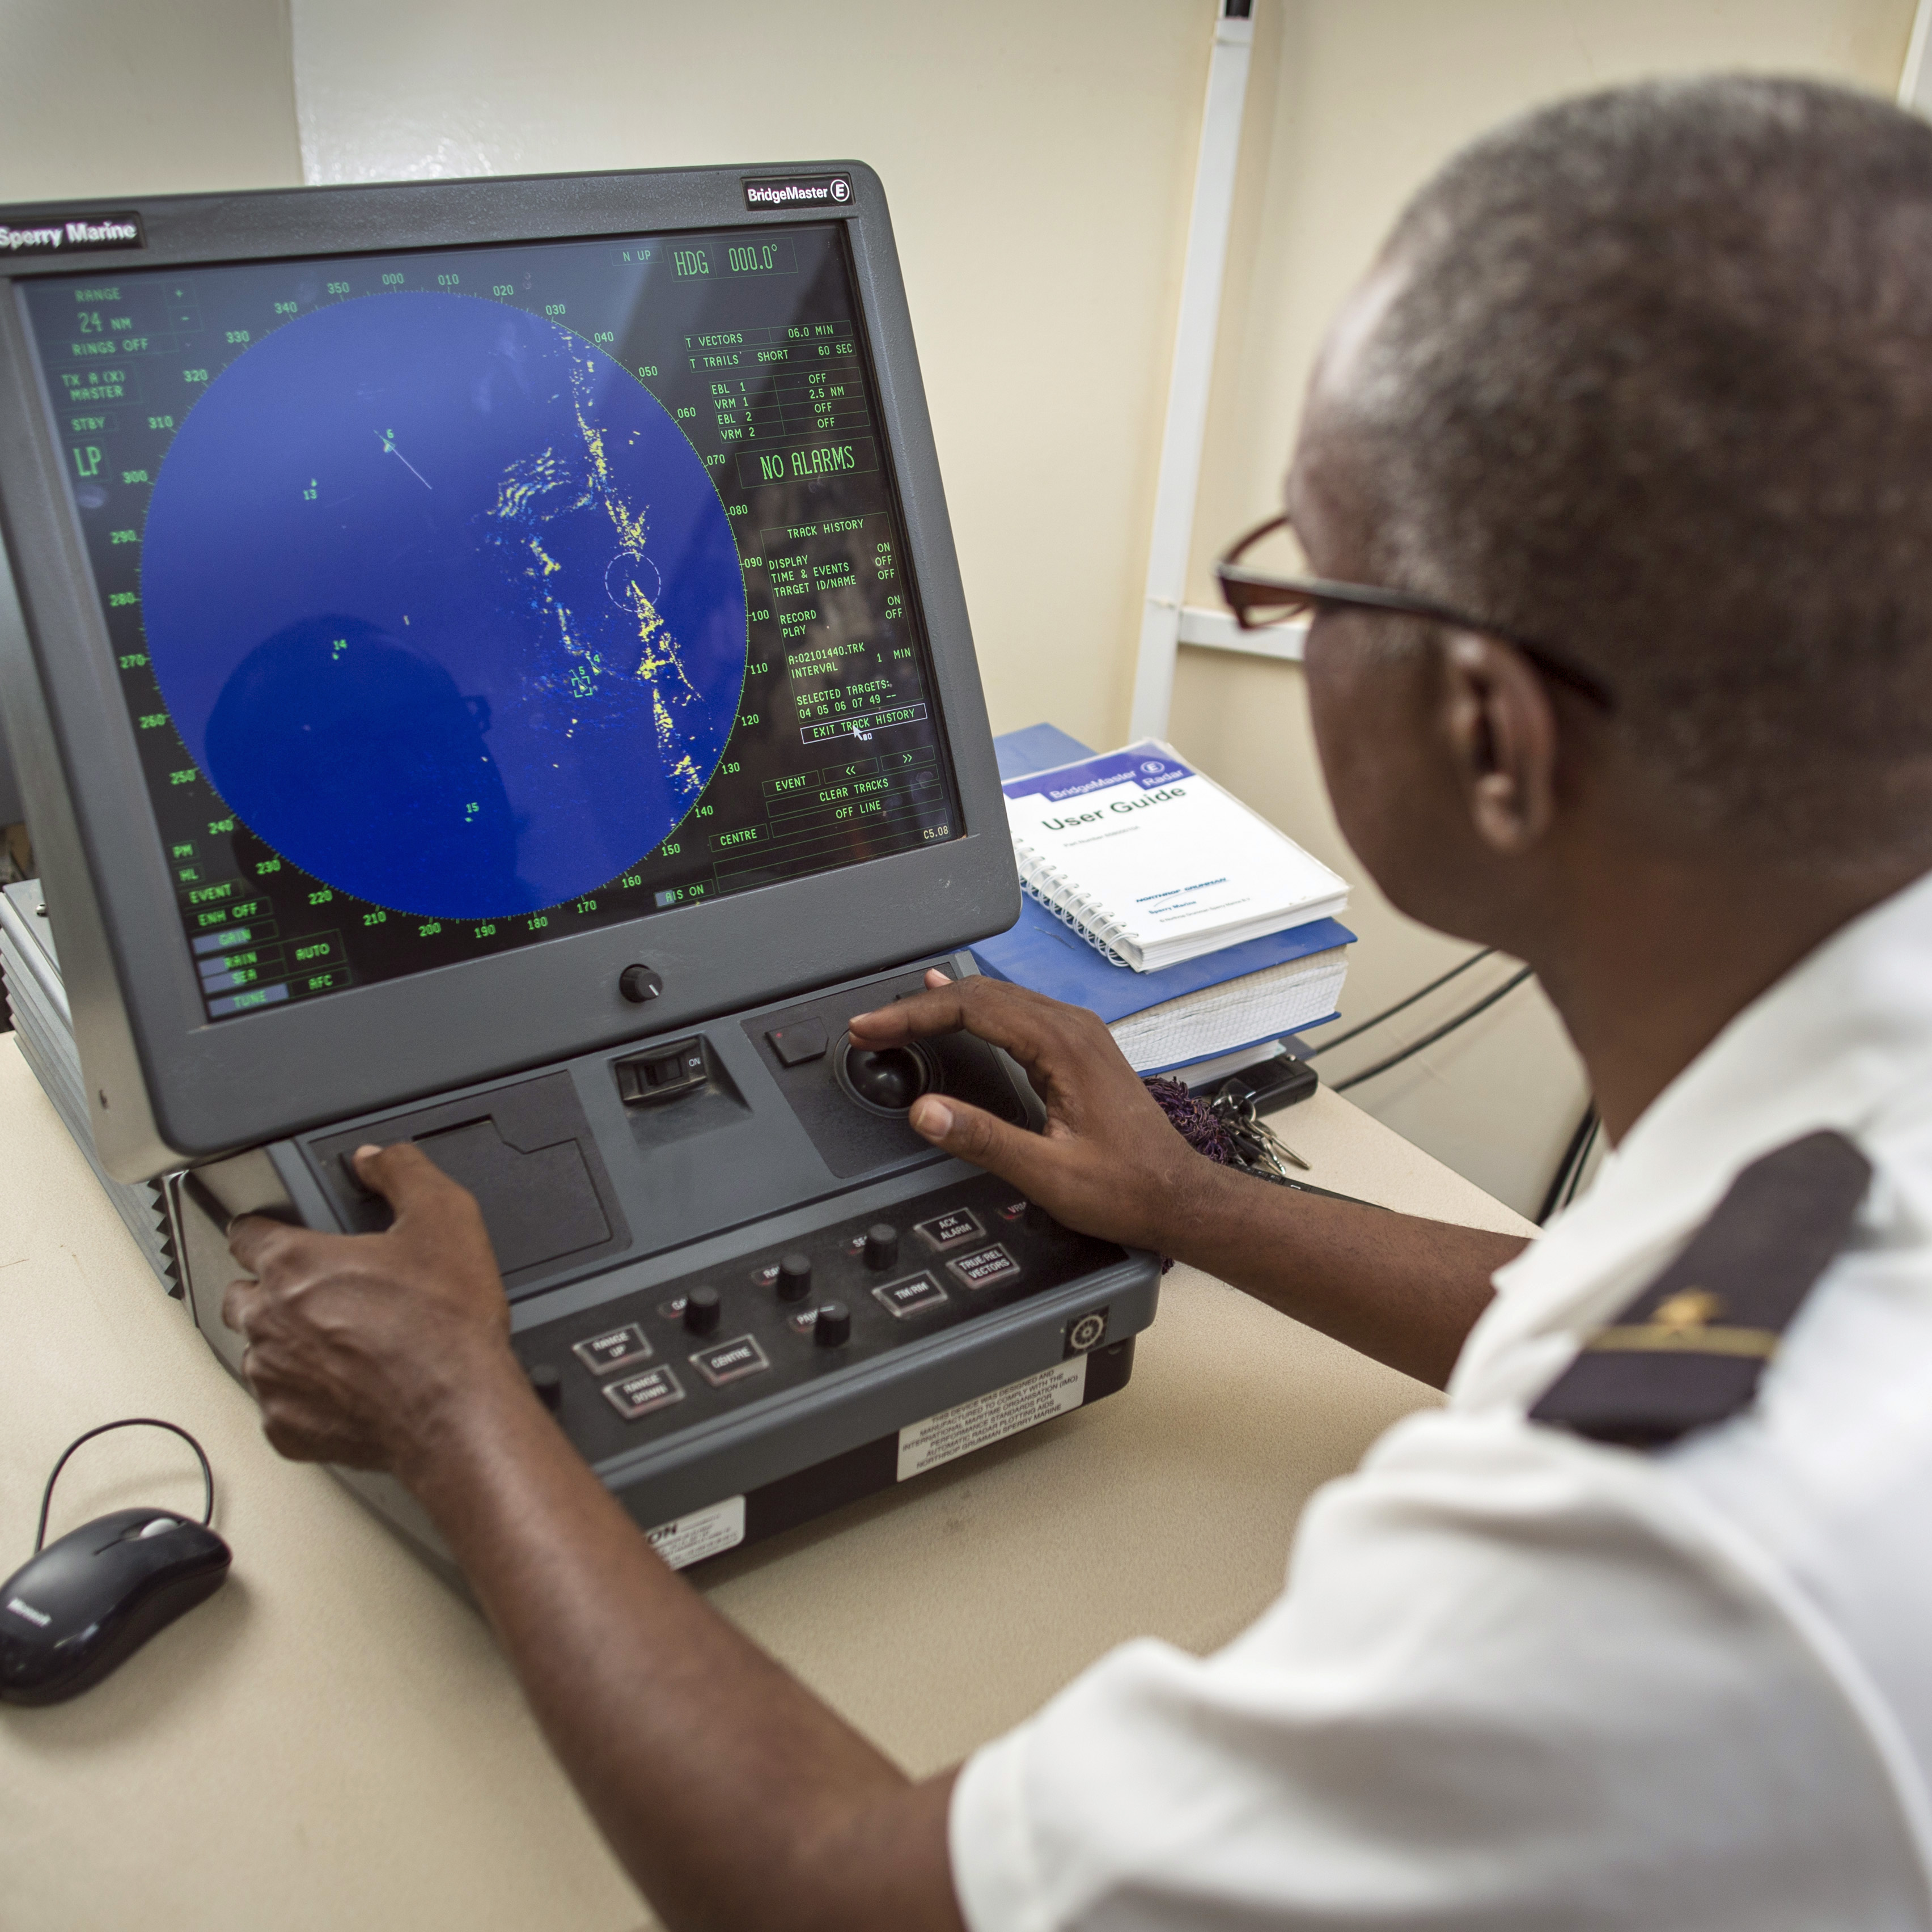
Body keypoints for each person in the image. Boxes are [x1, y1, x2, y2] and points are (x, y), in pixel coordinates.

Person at [221, 74, 1932, 1930]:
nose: (1287, 607)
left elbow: (840, 1896)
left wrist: (460, 1403)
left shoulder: (1650, 1576)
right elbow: (1628, 1308)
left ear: (1489, 736)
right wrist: (1192, 1201)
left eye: (1306, 577)